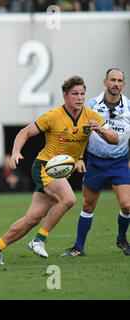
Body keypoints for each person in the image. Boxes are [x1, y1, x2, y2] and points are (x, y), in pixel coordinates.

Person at [0, 75, 119, 265]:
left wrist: (101, 130)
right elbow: (25, 132)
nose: (79, 98)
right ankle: (39, 239)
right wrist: (15, 152)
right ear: (65, 95)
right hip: (44, 166)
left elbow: (115, 139)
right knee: (69, 199)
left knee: (32, 219)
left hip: (60, 172)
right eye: (75, 94)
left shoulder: (91, 117)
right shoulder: (53, 116)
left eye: (82, 94)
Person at [62, 68, 130, 257]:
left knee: (127, 205)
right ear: (105, 82)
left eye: (119, 81)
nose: (115, 84)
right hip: (96, 161)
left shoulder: (129, 107)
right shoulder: (92, 105)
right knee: (87, 206)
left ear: (123, 84)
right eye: (112, 80)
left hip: (119, 161)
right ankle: (79, 247)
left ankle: (122, 239)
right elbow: (82, 133)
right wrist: (80, 158)